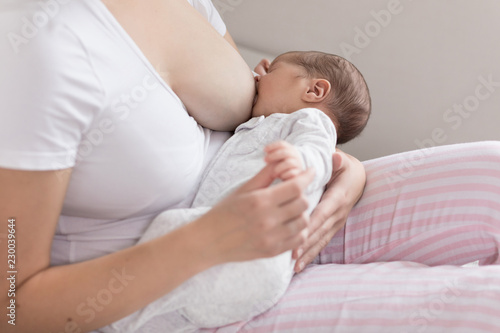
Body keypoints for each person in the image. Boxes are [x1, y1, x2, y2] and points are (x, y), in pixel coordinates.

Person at [1, 1, 499, 333]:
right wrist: (205, 240)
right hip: (197, 288)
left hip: (293, 207)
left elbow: (261, 117)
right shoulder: (33, 50)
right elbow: (11, 305)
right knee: (485, 303)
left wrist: (337, 168)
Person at [101, 50, 371, 332]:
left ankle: (110, 318)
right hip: (241, 263)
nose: (260, 69)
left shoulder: (311, 123)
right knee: (177, 309)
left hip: (252, 253)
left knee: (169, 234)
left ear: (315, 90)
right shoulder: (262, 125)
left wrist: (300, 161)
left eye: (273, 68)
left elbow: (318, 155)